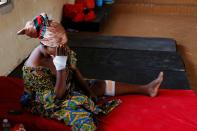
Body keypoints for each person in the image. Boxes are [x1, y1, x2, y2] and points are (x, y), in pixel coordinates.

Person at [17, 13, 164, 131]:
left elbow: (74, 71)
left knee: (98, 85)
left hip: (65, 86)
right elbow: (56, 98)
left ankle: (146, 88)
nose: (64, 49)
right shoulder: (33, 69)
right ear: (45, 45)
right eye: (59, 47)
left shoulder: (60, 48)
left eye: (65, 45)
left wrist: (89, 91)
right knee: (83, 119)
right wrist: (61, 67)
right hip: (46, 101)